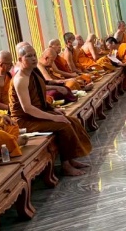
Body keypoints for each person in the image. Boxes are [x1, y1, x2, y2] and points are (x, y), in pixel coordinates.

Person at [9, 44, 92, 177]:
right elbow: (27, 108)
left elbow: (40, 97)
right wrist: (53, 117)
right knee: (64, 125)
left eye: (34, 55)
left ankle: (71, 160)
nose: (33, 59)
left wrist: (53, 109)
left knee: (72, 121)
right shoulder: (20, 79)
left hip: (36, 115)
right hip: (24, 121)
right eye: (29, 56)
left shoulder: (33, 73)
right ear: (20, 59)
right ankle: (66, 166)